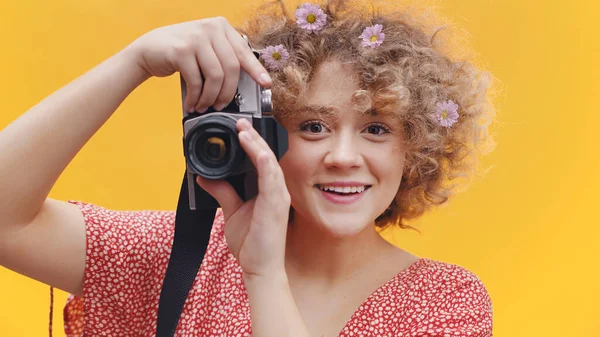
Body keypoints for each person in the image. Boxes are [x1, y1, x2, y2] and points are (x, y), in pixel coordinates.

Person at [0, 0, 496, 336]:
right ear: (264, 136)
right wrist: (134, 62)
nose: (344, 156)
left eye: (377, 129)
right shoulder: (182, 256)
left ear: (417, 149)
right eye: (314, 127)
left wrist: (263, 275)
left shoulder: (447, 301)